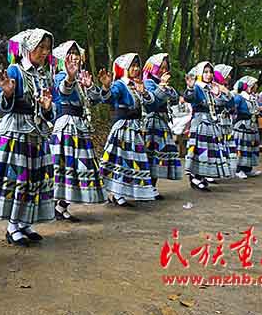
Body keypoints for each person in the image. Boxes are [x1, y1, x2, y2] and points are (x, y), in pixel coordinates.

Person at [0, 29, 56, 246]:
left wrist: (48, 108)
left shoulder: (44, 74)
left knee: (34, 179)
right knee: (18, 179)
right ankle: (12, 227)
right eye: (40, 47)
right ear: (28, 48)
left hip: (37, 133)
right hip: (16, 133)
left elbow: (53, 105)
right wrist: (8, 94)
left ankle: (24, 223)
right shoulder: (15, 70)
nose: (44, 52)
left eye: (47, 48)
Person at [50, 40, 106, 222]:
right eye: (70, 54)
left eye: (76, 54)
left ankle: (60, 206)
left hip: (81, 127)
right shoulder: (60, 76)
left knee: (81, 168)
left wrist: (90, 86)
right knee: (66, 167)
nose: (75, 57)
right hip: (66, 126)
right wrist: (70, 77)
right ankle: (57, 206)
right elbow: (63, 91)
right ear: (62, 59)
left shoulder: (82, 77)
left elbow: (95, 100)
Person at [98, 53, 158, 206]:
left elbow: (151, 103)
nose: (136, 69)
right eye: (133, 66)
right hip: (123, 128)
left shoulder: (138, 85)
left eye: (137, 66)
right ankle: (117, 194)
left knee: (131, 161)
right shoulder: (120, 84)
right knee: (121, 160)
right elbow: (109, 98)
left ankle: (122, 192)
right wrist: (106, 87)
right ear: (125, 67)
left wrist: (143, 91)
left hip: (135, 127)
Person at [184, 62, 233, 191]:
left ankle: (201, 176)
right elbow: (189, 97)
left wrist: (221, 93)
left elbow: (225, 103)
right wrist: (190, 87)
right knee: (199, 151)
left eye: (210, 72)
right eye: (205, 72)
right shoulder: (197, 87)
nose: (209, 74)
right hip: (200, 123)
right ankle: (194, 177)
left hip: (211, 123)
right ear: (200, 73)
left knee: (208, 151)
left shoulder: (212, 87)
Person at [141, 53, 182, 198]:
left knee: (158, 156)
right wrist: (163, 86)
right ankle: (146, 186)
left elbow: (175, 98)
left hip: (163, 123)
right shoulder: (148, 82)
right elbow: (153, 102)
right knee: (150, 154)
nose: (163, 71)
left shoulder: (162, 83)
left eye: (165, 68)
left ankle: (152, 186)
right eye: (160, 68)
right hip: (151, 123)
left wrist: (165, 86)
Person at [232, 76, 262, 179]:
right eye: (254, 85)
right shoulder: (239, 97)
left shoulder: (253, 98)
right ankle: (238, 169)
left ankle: (247, 169)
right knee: (242, 147)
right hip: (242, 126)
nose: (256, 86)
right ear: (249, 86)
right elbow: (233, 109)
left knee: (250, 146)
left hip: (252, 125)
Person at [214, 64, 237, 178]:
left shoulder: (224, 88)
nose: (229, 77)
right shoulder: (213, 87)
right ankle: (213, 171)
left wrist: (227, 93)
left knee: (226, 144)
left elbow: (232, 104)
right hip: (217, 120)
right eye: (227, 74)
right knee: (217, 145)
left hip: (226, 120)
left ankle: (225, 170)